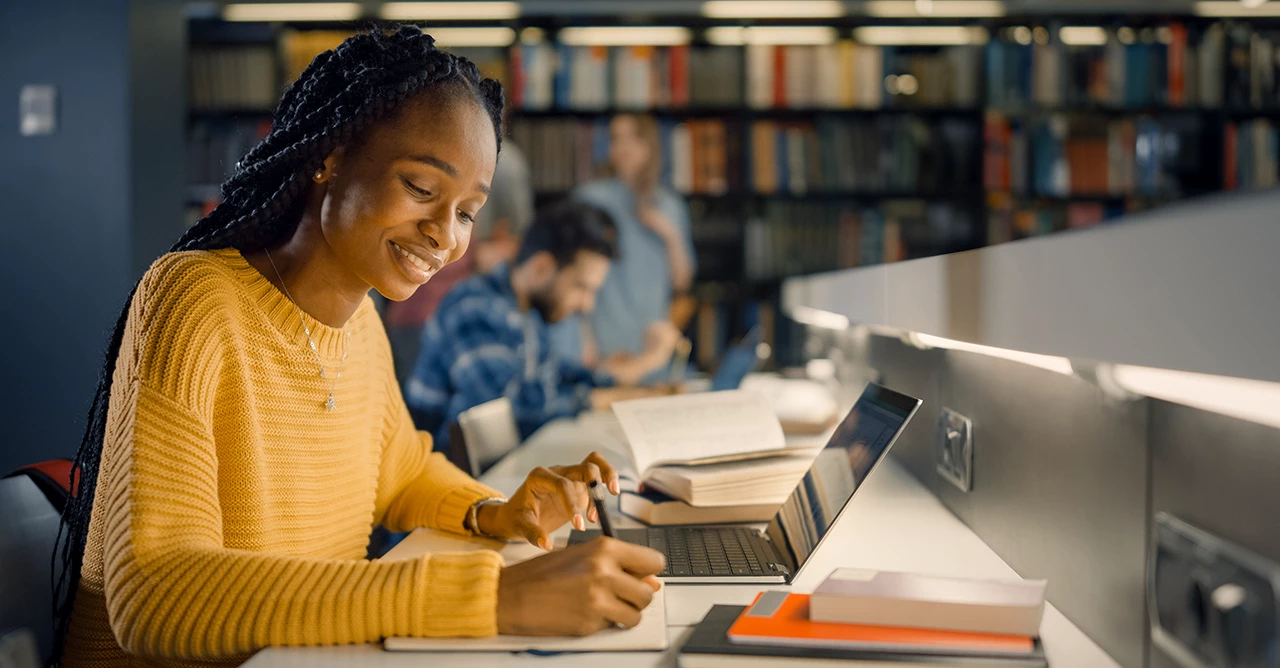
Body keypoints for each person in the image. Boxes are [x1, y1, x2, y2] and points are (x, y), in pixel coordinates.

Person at [55, 28, 664, 668]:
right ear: (331, 156)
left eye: (466, 212)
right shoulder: (194, 300)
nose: (445, 236)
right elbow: (156, 596)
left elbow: (401, 473)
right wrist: (488, 596)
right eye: (422, 188)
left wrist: (496, 512)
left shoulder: (362, 323)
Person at [405, 200, 680, 455]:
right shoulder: (474, 308)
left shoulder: (525, 312)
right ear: (541, 267)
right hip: (443, 476)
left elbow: (556, 376)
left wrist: (633, 388)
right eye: (581, 287)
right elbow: (507, 409)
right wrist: (609, 395)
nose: (587, 305)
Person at [382, 128, 534, 385]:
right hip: (418, 313)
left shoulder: (504, 164)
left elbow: (516, 240)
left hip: (450, 312)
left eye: (466, 214)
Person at [551, 114, 696, 373]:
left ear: (650, 145)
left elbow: (682, 282)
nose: (624, 147)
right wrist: (582, 336)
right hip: (603, 342)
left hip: (652, 345)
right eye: (616, 139)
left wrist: (671, 236)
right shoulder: (590, 199)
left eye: (633, 138)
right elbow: (569, 276)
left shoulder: (669, 206)